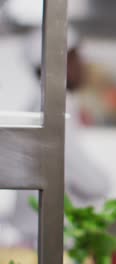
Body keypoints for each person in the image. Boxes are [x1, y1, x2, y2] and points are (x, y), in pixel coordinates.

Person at [9, 28, 110, 241]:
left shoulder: (44, 105)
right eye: (76, 57)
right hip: (41, 238)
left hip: (39, 234)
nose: (83, 64)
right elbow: (88, 179)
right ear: (61, 63)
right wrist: (105, 183)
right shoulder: (51, 109)